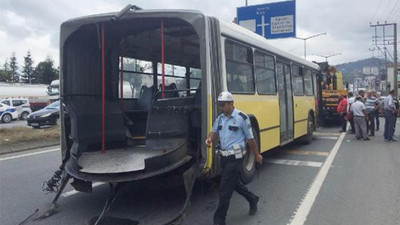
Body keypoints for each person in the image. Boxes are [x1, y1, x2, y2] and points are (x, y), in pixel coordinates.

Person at [205, 91, 263, 225]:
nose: (221, 107)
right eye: (219, 105)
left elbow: (250, 139)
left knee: (224, 189)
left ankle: (219, 220)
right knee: (235, 184)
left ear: (231, 104)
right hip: (224, 158)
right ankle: (253, 199)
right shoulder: (220, 118)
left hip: (236, 158)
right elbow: (214, 132)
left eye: (223, 105)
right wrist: (209, 139)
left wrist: (257, 155)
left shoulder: (241, 117)